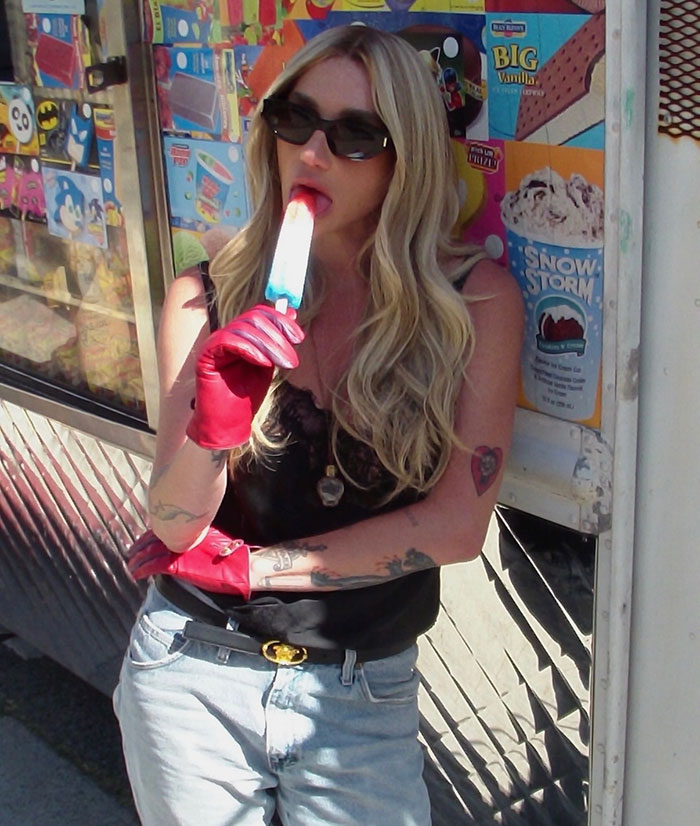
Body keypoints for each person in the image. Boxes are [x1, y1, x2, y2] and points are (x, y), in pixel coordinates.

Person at [113, 24, 523, 826]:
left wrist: (256, 570)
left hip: (360, 688)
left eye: (356, 135)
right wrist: (212, 425)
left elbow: (454, 527)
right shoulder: (206, 297)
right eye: (294, 119)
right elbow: (170, 522)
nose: (312, 153)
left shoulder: (473, 304)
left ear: (405, 156)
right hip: (190, 666)